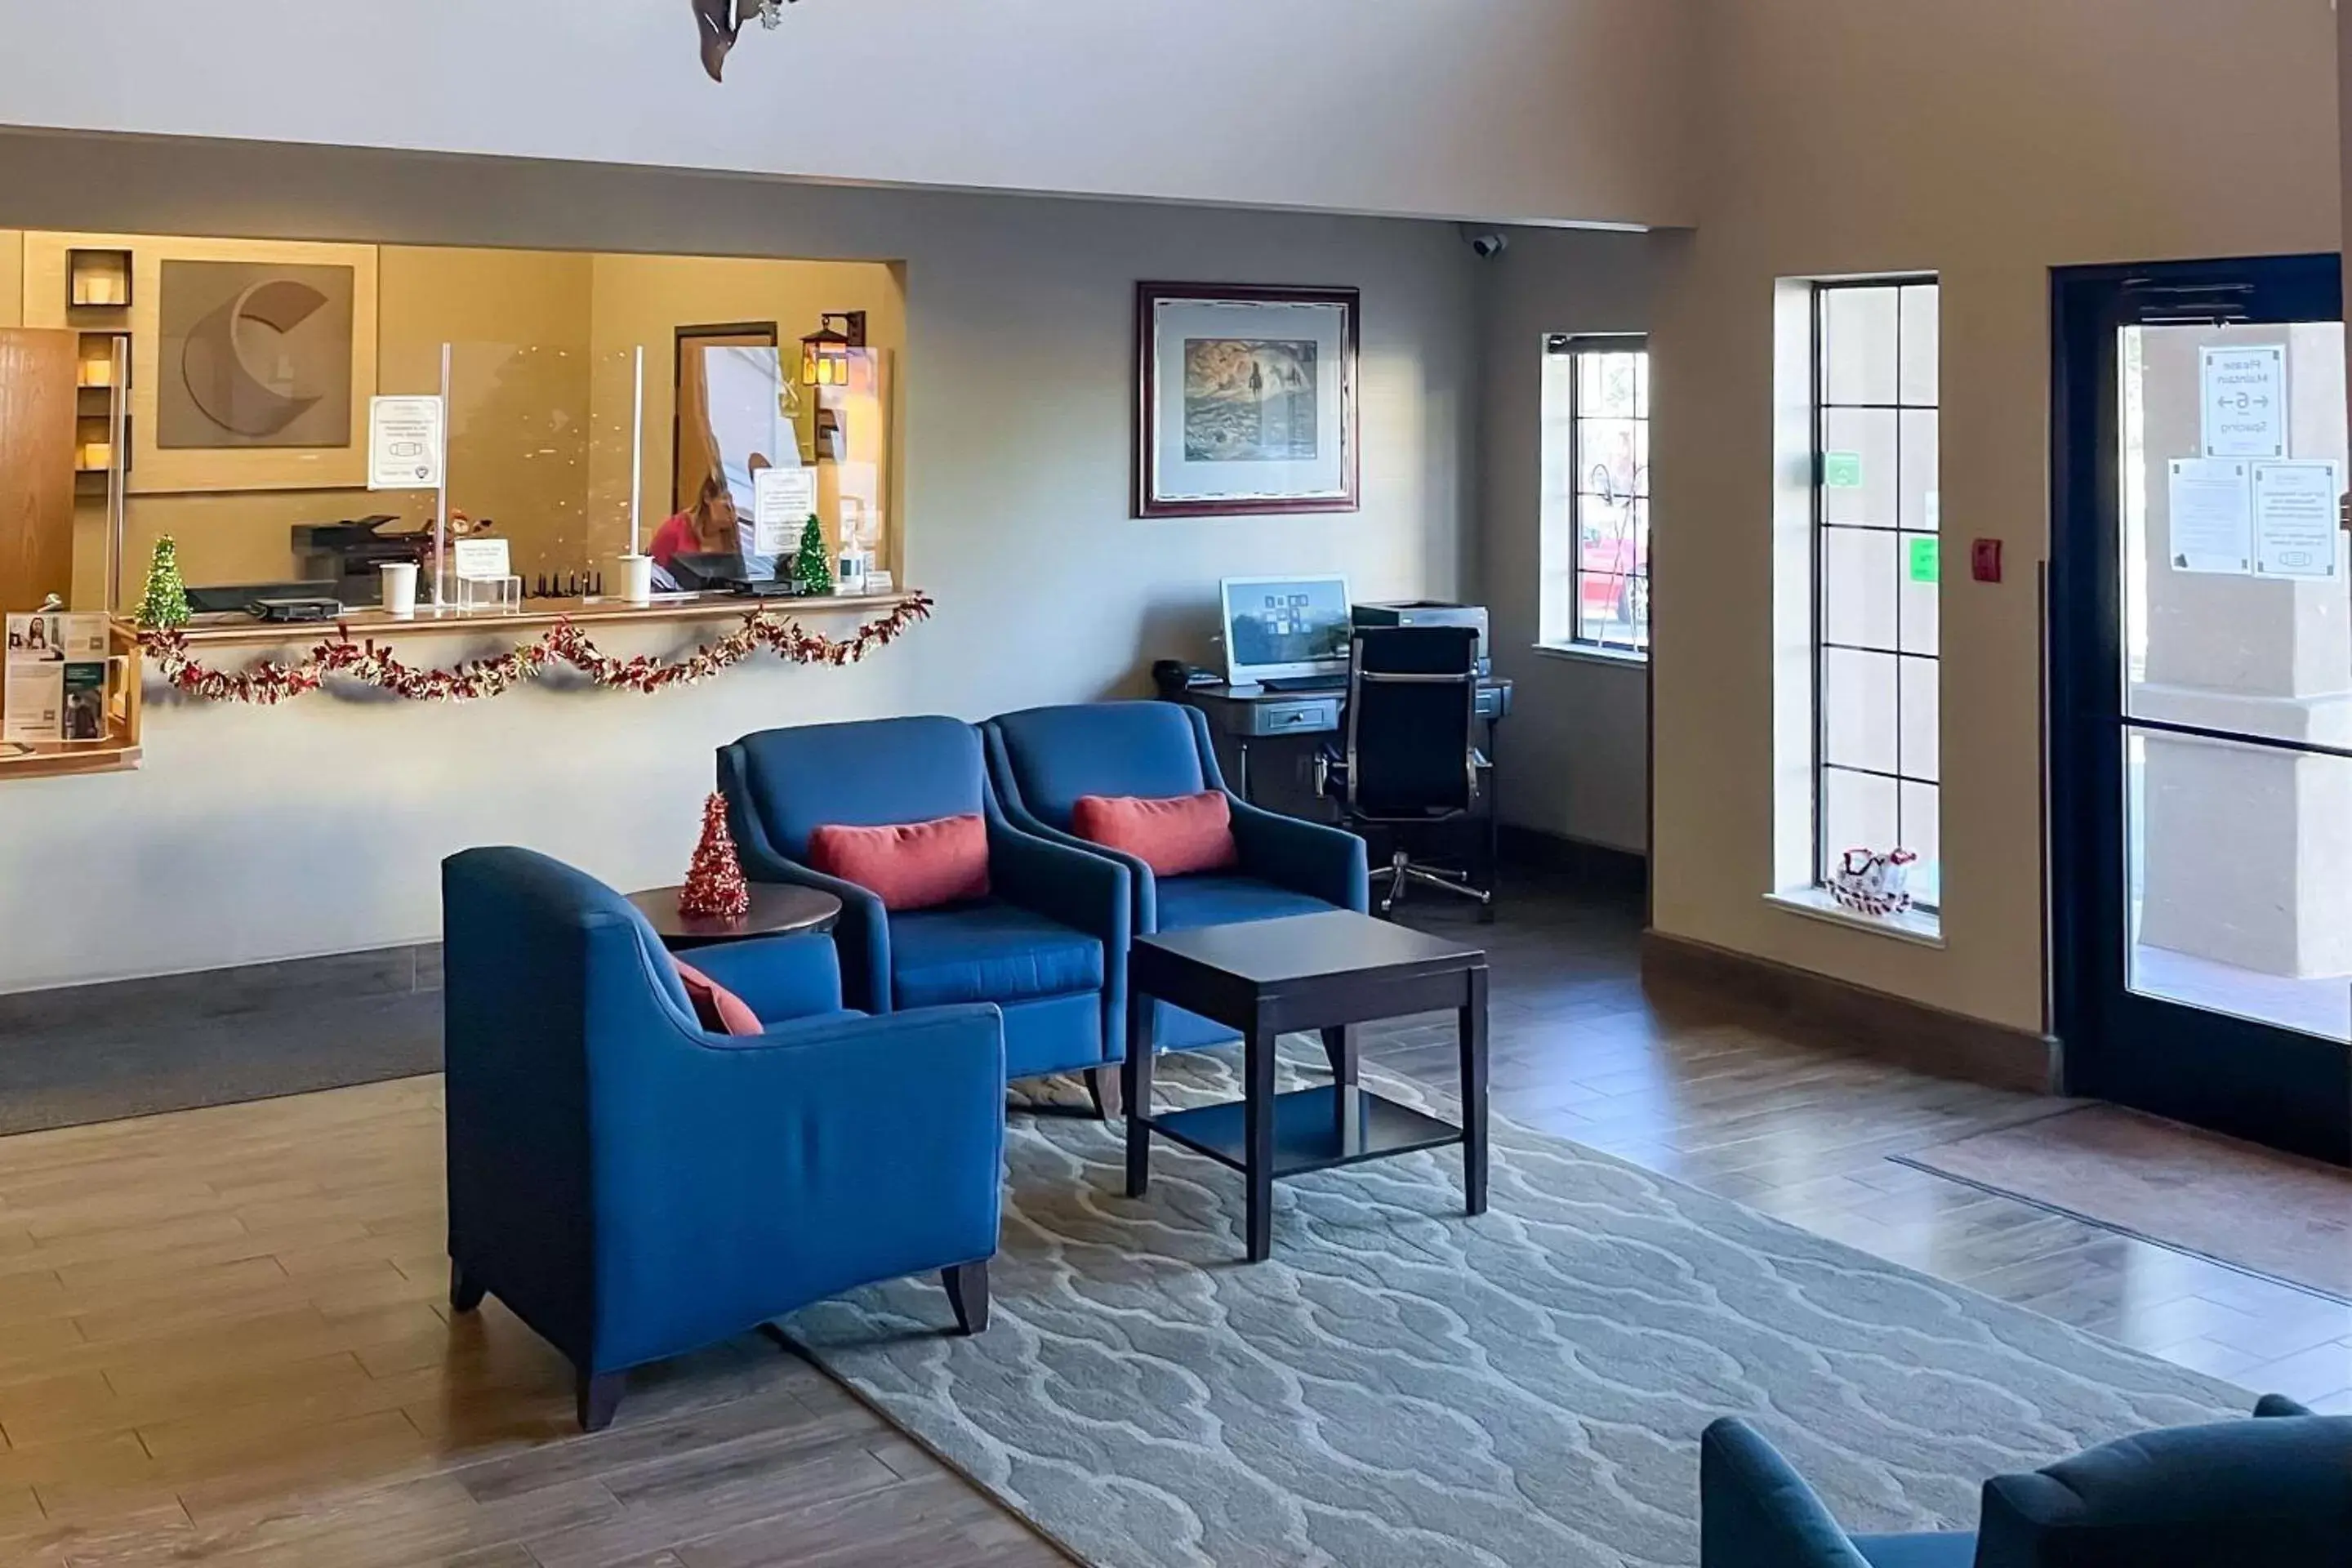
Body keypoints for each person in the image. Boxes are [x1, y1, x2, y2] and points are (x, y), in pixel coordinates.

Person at [648, 472, 742, 577]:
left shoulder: (736, 536)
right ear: (707, 497)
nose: (734, 516)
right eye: (728, 506)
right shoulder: (673, 531)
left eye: (738, 508)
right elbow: (652, 578)